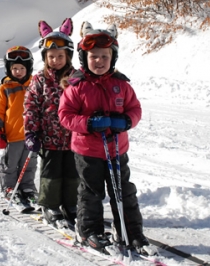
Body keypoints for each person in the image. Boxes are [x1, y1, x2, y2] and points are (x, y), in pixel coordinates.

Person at [58, 21, 154, 256]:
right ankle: (89, 231)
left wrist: (127, 121)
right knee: (91, 192)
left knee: (124, 191)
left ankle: (130, 232)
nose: (99, 61)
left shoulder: (120, 85)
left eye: (104, 57)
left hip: (116, 149)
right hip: (88, 151)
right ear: (84, 58)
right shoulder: (76, 86)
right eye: (94, 57)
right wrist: (89, 123)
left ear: (113, 58)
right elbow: (65, 116)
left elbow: (135, 108)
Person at [23, 18, 79, 227]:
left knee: (72, 173)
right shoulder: (39, 80)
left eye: (60, 56)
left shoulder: (76, 78)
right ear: (45, 58)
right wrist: (31, 132)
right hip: (48, 138)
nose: (55, 60)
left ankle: (71, 204)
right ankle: (50, 205)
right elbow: (31, 107)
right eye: (51, 57)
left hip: (73, 138)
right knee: (51, 173)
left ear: (68, 56)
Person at [0, 46, 38, 204]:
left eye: (22, 68)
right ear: (8, 68)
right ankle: (9, 187)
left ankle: (27, 187)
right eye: (15, 68)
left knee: (29, 163)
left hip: (32, 135)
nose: (18, 71)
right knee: (10, 164)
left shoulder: (35, 85)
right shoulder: (4, 88)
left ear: (28, 68)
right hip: (12, 135)